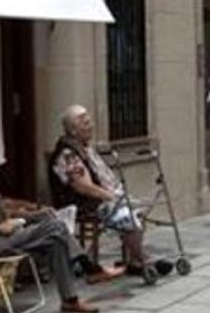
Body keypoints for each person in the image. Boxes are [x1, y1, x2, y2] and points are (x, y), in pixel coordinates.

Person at [0, 150, 122, 313]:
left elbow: (3, 212)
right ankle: (88, 268)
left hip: (6, 234)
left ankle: (70, 300)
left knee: (55, 235)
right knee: (55, 227)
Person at [51, 105, 172, 276]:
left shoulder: (85, 148)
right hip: (88, 203)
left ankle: (134, 260)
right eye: (83, 122)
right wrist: (111, 197)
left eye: (88, 119)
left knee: (139, 209)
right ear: (72, 130)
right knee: (128, 216)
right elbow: (82, 186)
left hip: (105, 197)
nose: (89, 124)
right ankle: (143, 259)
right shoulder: (69, 153)